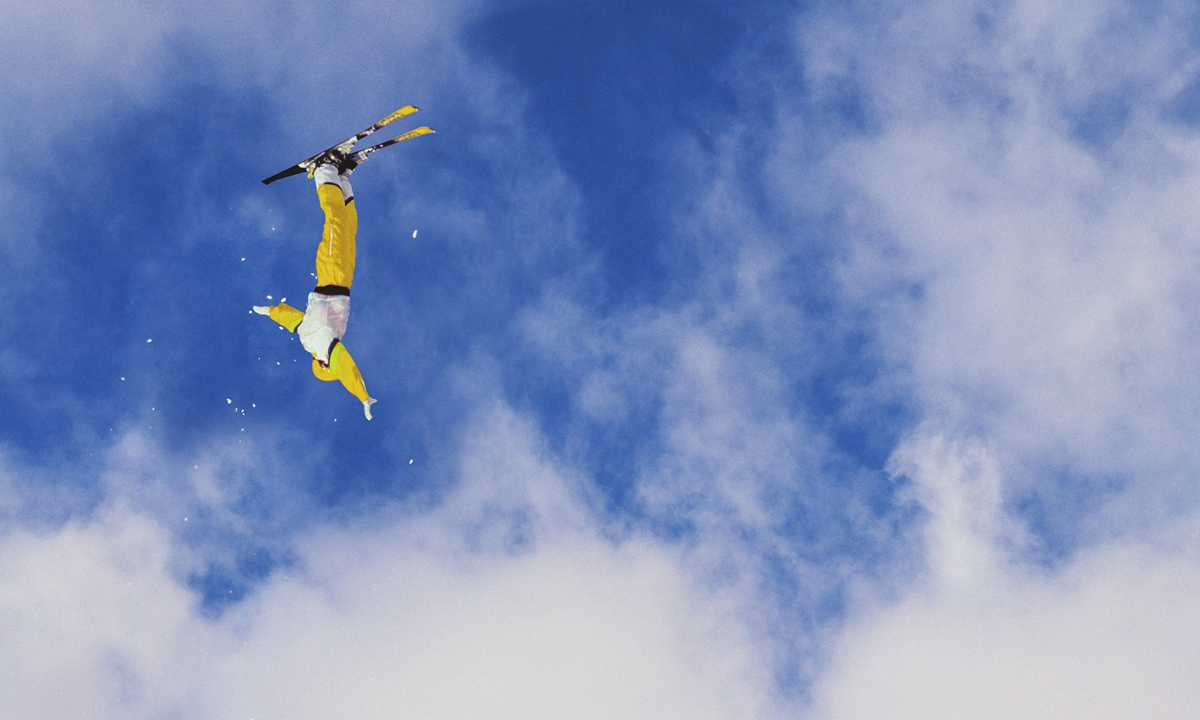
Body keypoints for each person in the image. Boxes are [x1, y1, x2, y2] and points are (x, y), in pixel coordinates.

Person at [253, 156, 377, 419]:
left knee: (334, 222)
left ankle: (323, 170)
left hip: (330, 274)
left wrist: (362, 395)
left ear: (323, 364)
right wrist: (271, 312)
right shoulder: (313, 337)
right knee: (348, 228)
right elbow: (295, 321)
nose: (332, 361)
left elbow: (345, 366)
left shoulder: (321, 346)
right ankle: (341, 178)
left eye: (329, 364)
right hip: (343, 280)